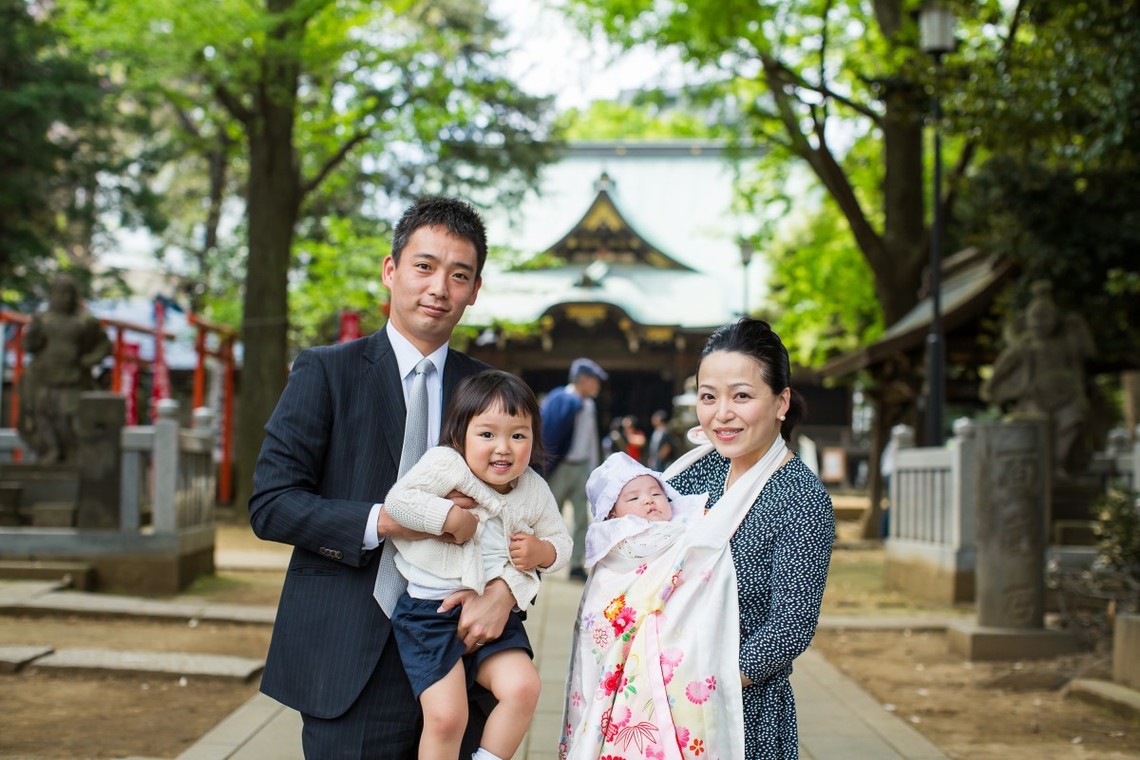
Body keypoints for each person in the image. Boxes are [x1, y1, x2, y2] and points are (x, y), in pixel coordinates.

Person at [249, 195, 517, 759]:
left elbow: (521, 510)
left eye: (459, 275)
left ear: (474, 291)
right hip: (348, 650)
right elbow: (271, 503)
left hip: (458, 646)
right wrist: (385, 519)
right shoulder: (326, 371)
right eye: (424, 266)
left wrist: (504, 592)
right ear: (391, 270)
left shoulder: (490, 392)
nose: (439, 287)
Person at [561, 317, 834, 759]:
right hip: (637, 699)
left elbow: (791, 625)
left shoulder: (800, 498)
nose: (721, 414)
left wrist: (705, 681)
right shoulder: (690, 473)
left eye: (741, 396)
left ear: (781, 402)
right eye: (709, 397)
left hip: (735, 708)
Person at [383, 369, 572, 760]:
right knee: (448, 717)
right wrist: (448, 518)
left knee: (523, 688)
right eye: (487, 434)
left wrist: (542, 552)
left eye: (518, 435)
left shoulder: (533, 487)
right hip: (430, 615)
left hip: (498, 615)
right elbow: (399, 501)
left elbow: (562, 543)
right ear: (459, 436)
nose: (503, 448)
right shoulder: (445, 464)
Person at [982, 279, 1095, 477]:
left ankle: (1059, 465)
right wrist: (990, 385)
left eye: (1045, 317)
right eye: (1035, 318)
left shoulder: (1065, 342)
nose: (1039, 323)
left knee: (1072, 422)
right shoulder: (1025, 345)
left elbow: (1087, 353)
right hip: (1035, 395)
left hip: (1066, 393)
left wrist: (1080, 328)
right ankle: (1040, 468)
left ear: (1055, 318)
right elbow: (1004, 366)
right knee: (1036, 429)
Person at [18, 273, 112, 464]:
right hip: (44, 377)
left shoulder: (85, 322)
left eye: (68, 294)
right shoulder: (42, 319)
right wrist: (34, 332)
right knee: (42, 415)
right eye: (59, 294)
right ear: (51, 295)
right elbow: (29, 346)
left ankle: (72, 453)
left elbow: (104, 345)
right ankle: (50, 450)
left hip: (73, 378)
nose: (64, 299)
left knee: (73, 417)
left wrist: (89, 360)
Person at [540, 357, 607, 582]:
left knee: (581, 518)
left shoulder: (589, 405)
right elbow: (550, 433)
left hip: (581, 468)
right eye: (594, 381)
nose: (597, 385)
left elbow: (590, 440)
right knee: (547, 514)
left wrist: (595, 469)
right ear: (584, 380)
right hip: (560, 466)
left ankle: (576, 563)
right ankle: (540, 558)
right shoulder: (561, 399)